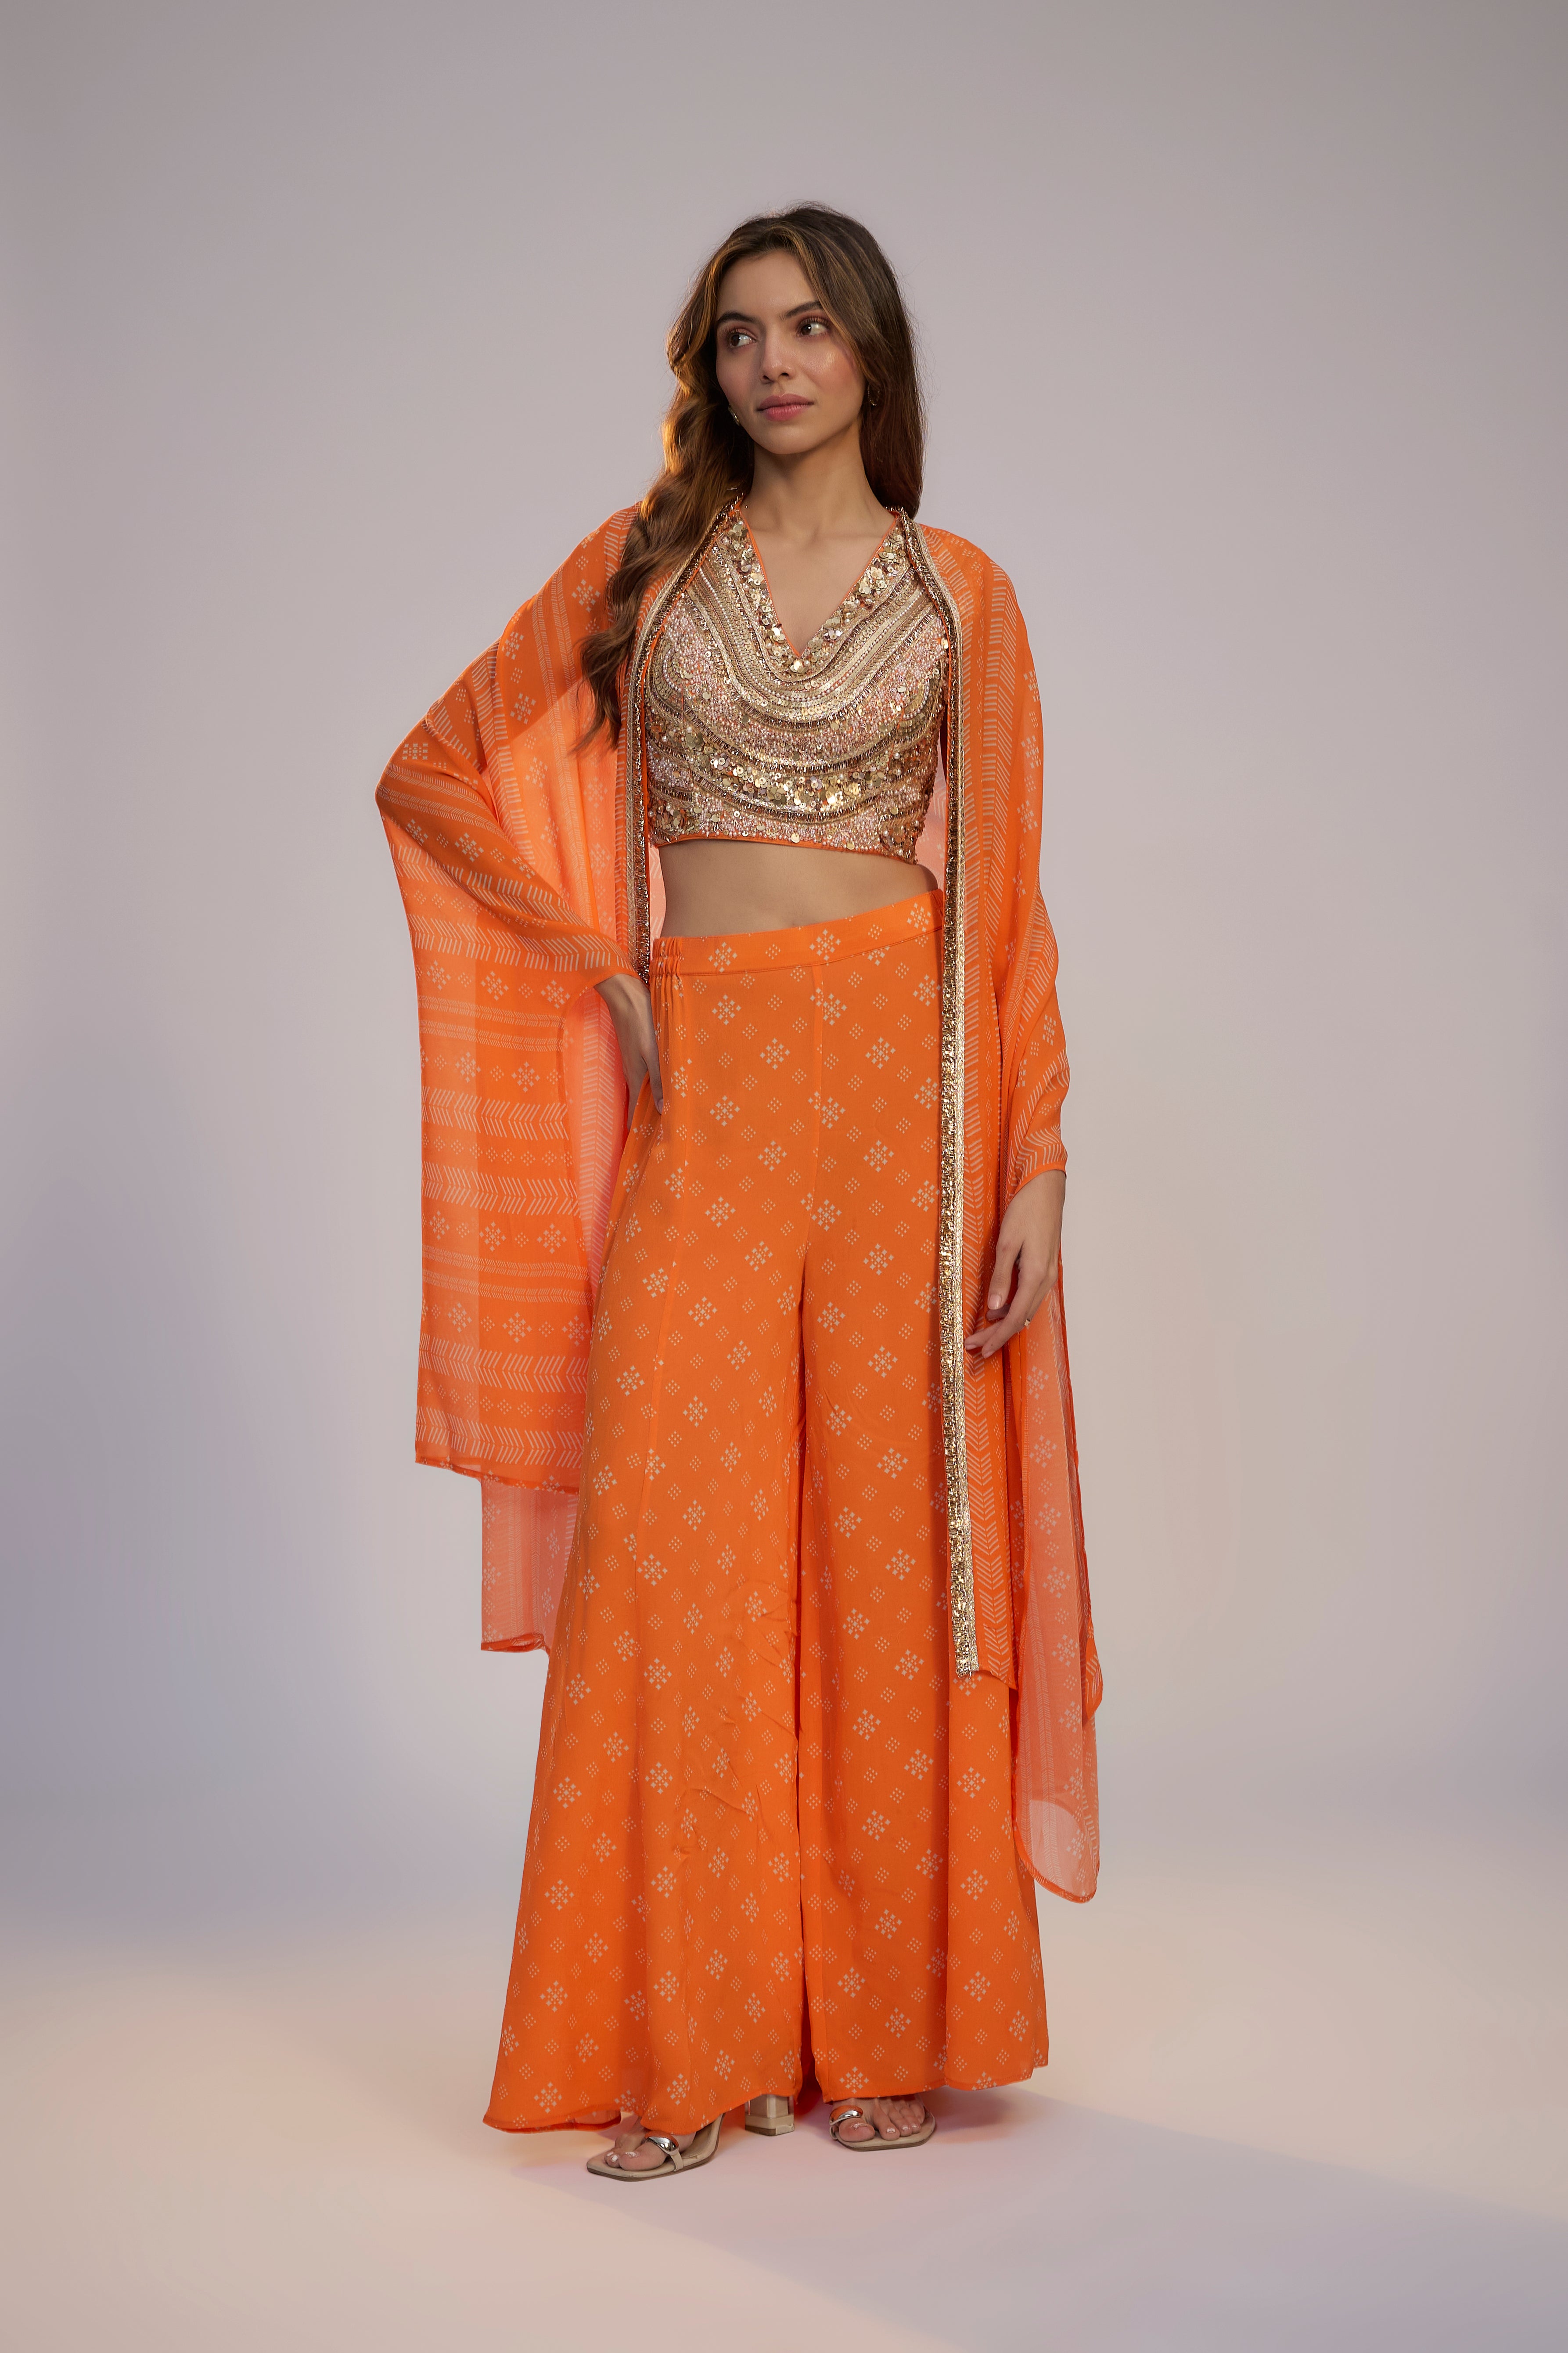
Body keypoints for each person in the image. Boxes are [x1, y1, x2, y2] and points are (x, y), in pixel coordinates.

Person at [377, 204, 1101, 2178]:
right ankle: (685, 2045)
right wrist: (595, 963)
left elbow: (1008, 906)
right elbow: (434, 769)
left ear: (870, 352)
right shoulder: (646, 569)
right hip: (711, 1070)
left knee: (888, 1551)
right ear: (708, 368)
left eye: (807, 327)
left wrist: (1036, 1154)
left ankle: (882, 2023)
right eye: (737, 334)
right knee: (667, 1551)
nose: (772, 363)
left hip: (902, 1088)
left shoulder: (960, 594)